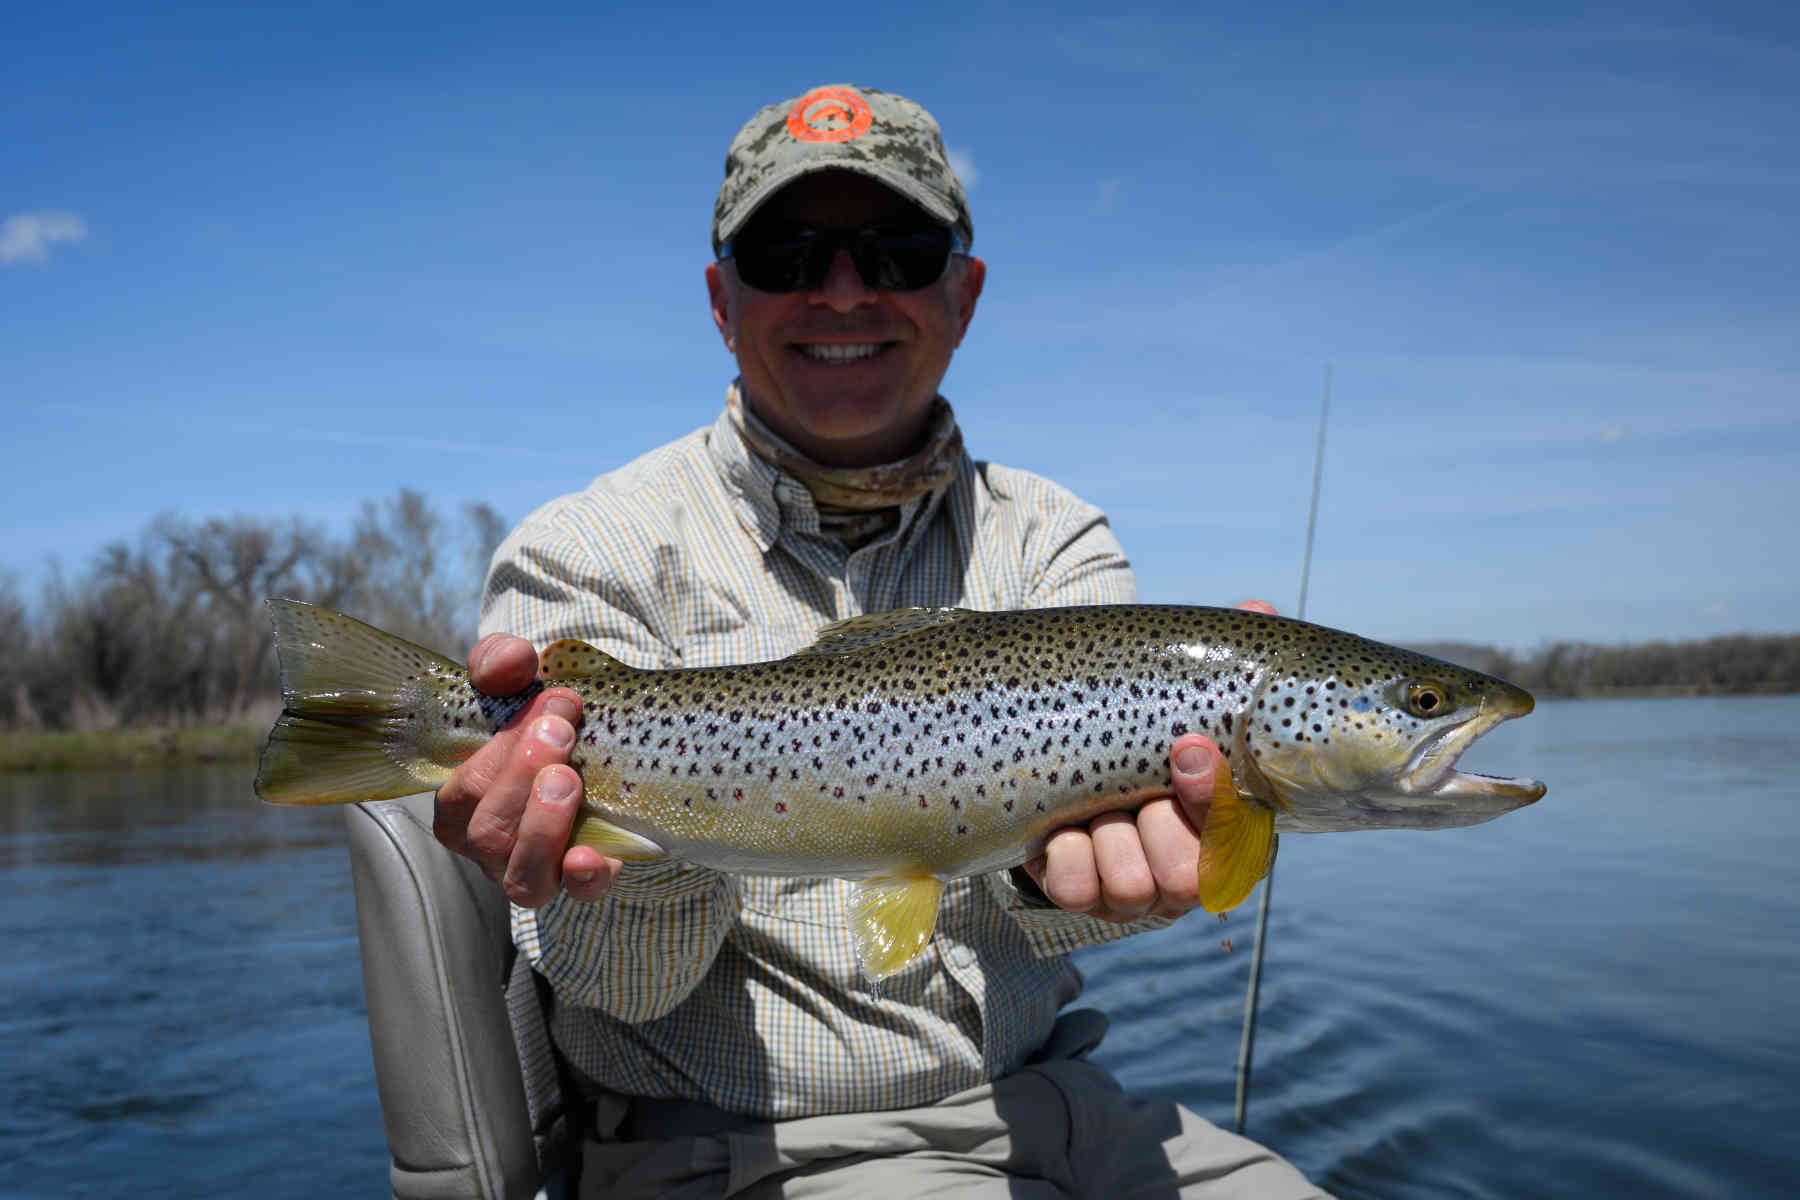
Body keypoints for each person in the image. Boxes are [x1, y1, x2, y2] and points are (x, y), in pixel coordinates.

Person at [432, 83, 1328, 1198]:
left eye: (899, 249)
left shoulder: (1055, 540)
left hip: (1064, 1108)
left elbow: (1082, 906)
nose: (844, 291)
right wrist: (622, 833)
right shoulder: (587, 551)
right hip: (736, 1151)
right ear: (721, 298)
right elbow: (622, 983)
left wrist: (1071, 890)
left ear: (965, 293)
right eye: (788, 251)